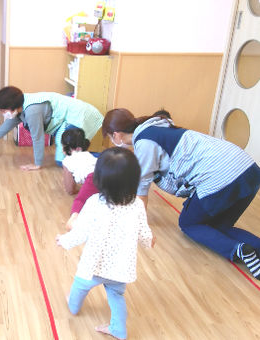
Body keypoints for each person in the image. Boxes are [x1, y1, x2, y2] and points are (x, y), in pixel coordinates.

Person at [102, 108, 260, 280]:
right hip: (249, 169)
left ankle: (238, 250)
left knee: (189, 224)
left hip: (222, 176)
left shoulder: (144, 142)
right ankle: (252, 250)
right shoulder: (158, 127)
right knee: (216, 228)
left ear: (116, 135)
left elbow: (141, 191)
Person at [56, 147, 154, 340]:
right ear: (134, 180)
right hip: (120, 267)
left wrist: (64, 240)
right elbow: (144, 233)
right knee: (116, 296)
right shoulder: (137, 205)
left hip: (93, 266)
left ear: (99, 180)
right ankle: (118, 329)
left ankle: (73, 307)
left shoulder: (94, 202)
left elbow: (81, 232)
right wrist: (149, 241)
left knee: (79, 287)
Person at [0, 86, 103, 171]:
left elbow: (38, 138)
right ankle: (103, 159)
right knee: (63, 160)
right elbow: (5, 127)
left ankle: (106, 159)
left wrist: (37, 163)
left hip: (80, 116)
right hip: (66, 119)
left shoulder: (32, 111)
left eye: (3, 110)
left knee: (68, 157)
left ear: (12, 106)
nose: (2, 113)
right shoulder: (20, 107)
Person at [61, 127, 98, 194]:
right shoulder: (89, 155)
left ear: (65, 147)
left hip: (94, 182)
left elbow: (70, 190)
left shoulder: (66, 161)